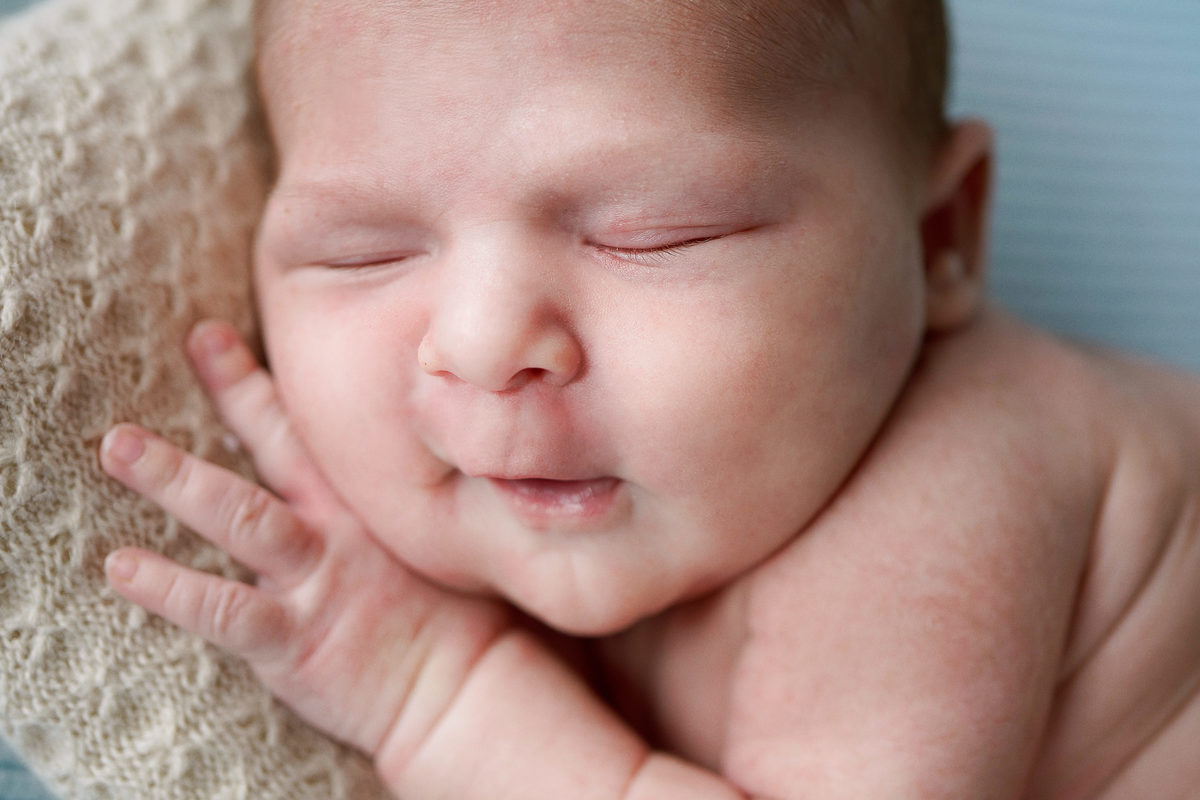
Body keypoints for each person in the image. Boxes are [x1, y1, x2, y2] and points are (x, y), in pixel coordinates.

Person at [97, 1, 1200, 796]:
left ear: (936, 237)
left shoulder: (949, 490)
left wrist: (435, 690)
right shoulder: (727, 485)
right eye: (364, 252)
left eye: (652, 234)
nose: (480, 344)